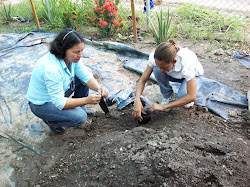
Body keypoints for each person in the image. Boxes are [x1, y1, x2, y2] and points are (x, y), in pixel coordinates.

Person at [27, 28, 108, 135]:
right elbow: (59, 102)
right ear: (63, 49)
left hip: (57, 92)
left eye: (82, 50)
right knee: (80, 117)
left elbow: (85, 75)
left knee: (84, 76)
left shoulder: (71, 58)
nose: (80, 55)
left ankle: (80, 108)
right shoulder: (51, 69)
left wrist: (98, 88)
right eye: (76, 52)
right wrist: (87, 100)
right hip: (42, 104)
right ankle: (51, 121)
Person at [132, 39, 204, 122]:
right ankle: (168, 95)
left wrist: (164, 106)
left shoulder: (187, 62)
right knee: (156, 70)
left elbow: (192, 96)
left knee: (185, 101)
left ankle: (187, 88)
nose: (161, 70)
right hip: (174, 75)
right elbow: (142, 80)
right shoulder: (155, 57)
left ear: (174, 61)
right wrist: (137, 99)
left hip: (195, 77)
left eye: (164, 67)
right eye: (160, 66)